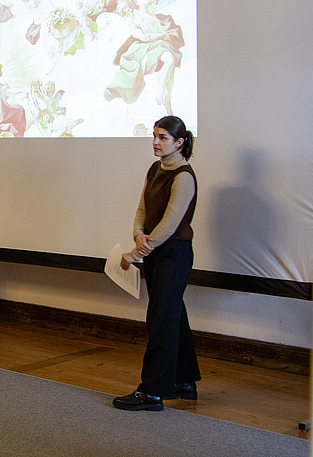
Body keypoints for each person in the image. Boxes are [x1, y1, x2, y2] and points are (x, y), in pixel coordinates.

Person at [113, 115, 201, 411]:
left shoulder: (184, 176)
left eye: (163, 137)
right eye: (154, 136)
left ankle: (152, 392)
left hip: (173, 254)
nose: (155, 142)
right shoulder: (155, 169)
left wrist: (136, 253)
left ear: (179, 142)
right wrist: (138, 234)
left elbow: (169, 223)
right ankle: (184, 381)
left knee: (161, 320)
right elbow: (143, 208)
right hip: (156, 252)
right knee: (173, 315)